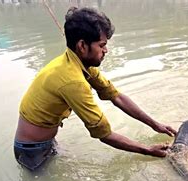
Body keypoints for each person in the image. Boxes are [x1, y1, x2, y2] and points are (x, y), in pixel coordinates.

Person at [14, 7, 177, 171]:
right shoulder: (72, 81)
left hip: (45, 142)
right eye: (102, 45)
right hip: (31, 150)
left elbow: (116, 96)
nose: (105, 50)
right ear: (82, 46)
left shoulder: (79, 64)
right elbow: (104, 135)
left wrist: (155, 125)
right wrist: (148, 150)